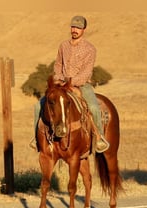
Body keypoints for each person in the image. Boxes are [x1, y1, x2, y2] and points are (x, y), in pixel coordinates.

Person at [30, 15, 109, 153]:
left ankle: (100, 137)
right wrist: (60, 79)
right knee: (38, 106)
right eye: (73, 27)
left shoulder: (90, 49)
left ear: (84, 29)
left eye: (78, 28)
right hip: (62, 84)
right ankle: (36, 138)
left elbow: (86, 72)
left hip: (82, 85)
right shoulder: (63, 46)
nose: (75, 30)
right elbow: (58, 65)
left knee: (94, 108)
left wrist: (72, 83)